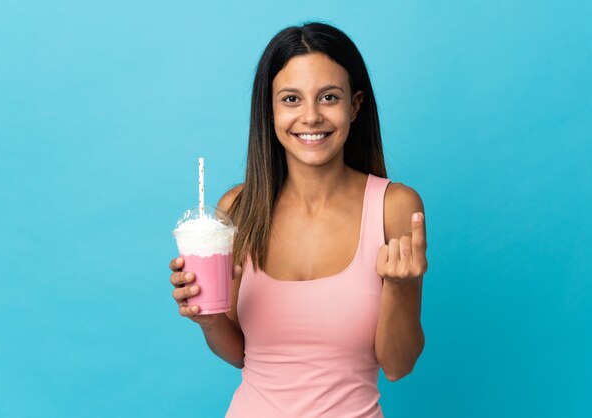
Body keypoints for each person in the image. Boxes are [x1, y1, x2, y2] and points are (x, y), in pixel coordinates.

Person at [169, 22, 428, 418]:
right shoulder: (239, 208)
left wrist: (402, 286)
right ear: (269, 109)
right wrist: (207, 319)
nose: (310, 116)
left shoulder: (394, 207)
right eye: (291, 99)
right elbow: (239, 354)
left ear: (355, 105)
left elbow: (397, 366)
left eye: (328, 97)